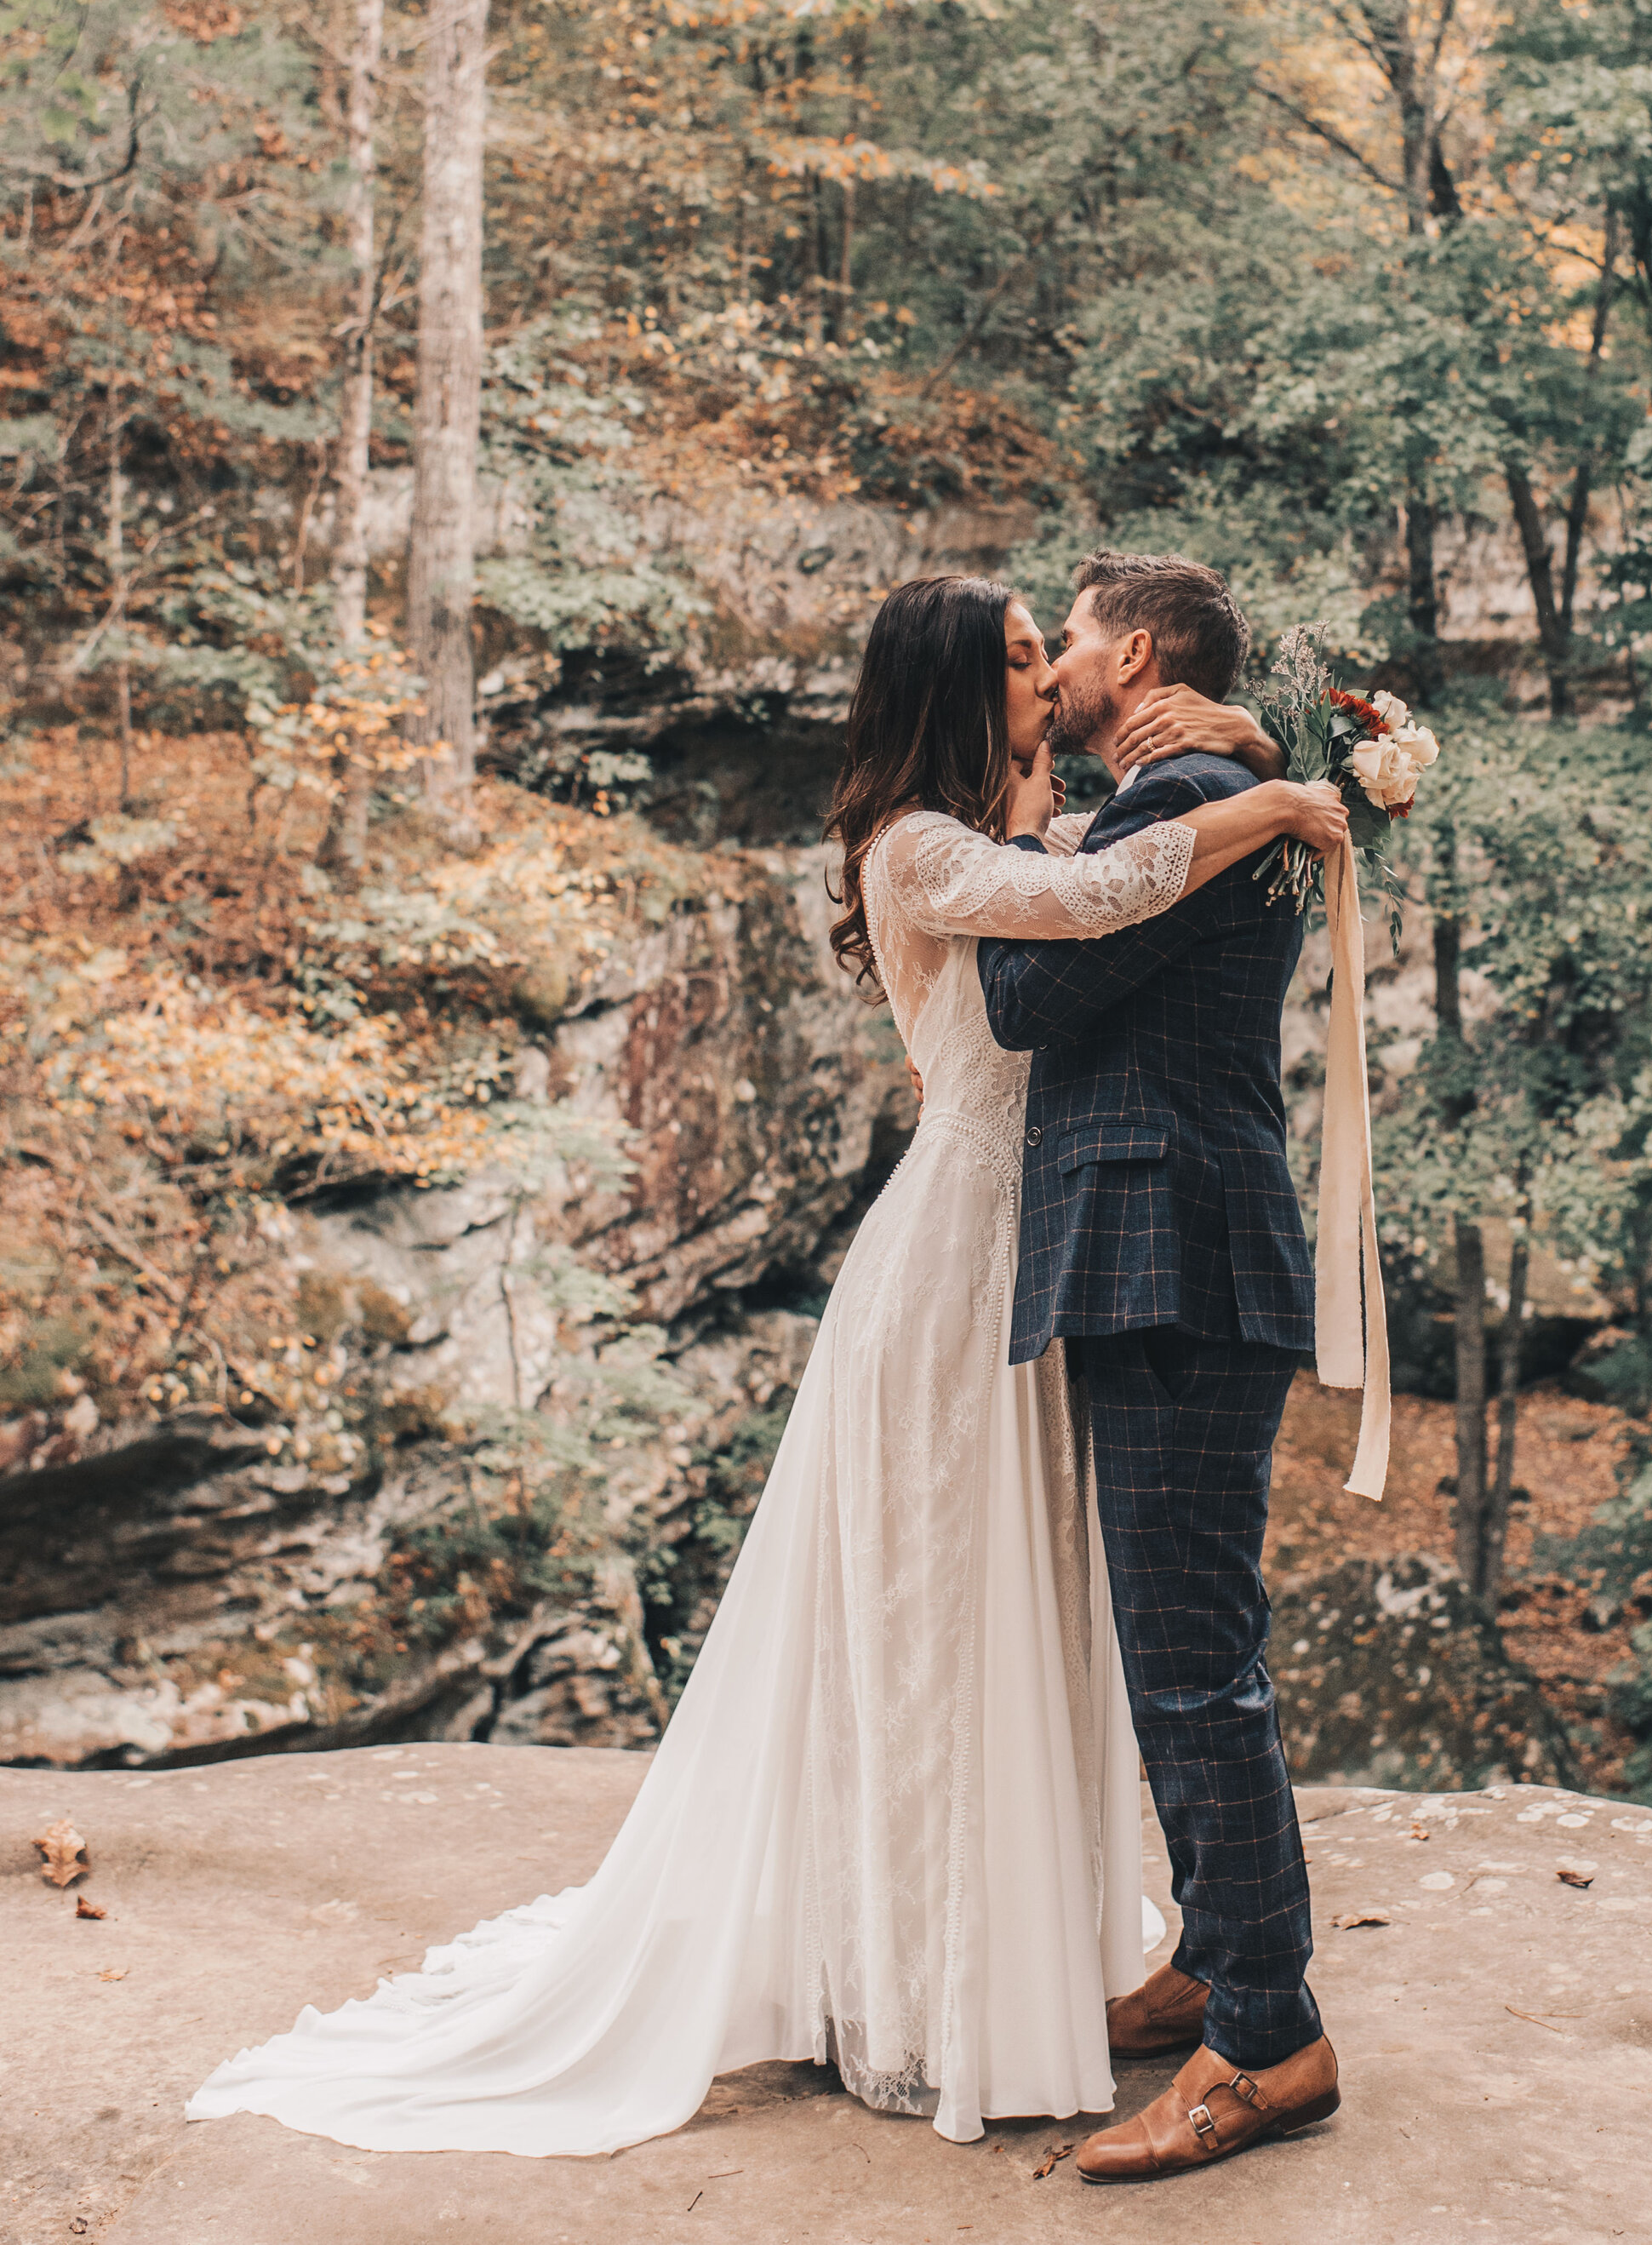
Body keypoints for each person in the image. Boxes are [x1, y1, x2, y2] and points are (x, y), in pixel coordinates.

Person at [185, 572, 1345, 2158]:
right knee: (947, 1622)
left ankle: (1132, 1975)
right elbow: (1083, 906)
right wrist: (1278, 793)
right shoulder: (925, 850)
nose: (1046, 679)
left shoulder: (1037, 828)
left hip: (1063, 1267)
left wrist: (1236, 766)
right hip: (954, 1275)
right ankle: (951, 1979)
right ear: (955, 690)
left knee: (1061, 1628)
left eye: (1050, 648)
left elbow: (1102, 863)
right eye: (1017, 661)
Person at [978, 551, 1341, 2184]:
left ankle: (1266, 2038)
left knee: (1194, 1657)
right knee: (1188, 1640)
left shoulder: (1182, 796)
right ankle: (1219, 1949)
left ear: (1130, 654)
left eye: (1066, 641)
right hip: (1185, 1253)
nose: (1051, 663)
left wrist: (1019, 837)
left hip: (1171, 1257)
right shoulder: (1223, 782)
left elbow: (1029, 982)